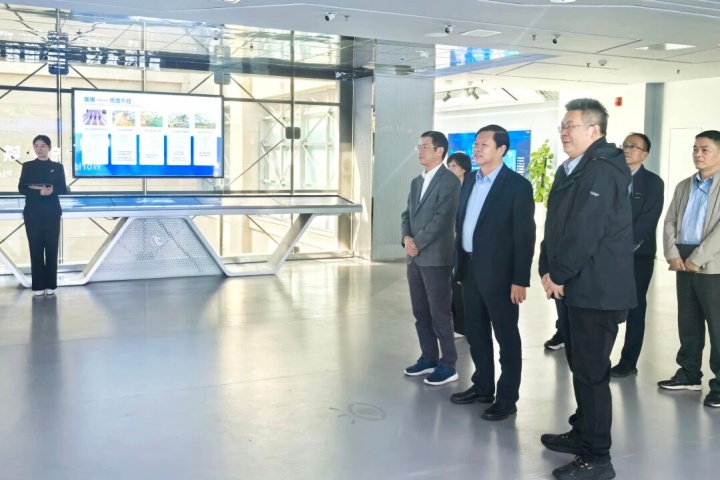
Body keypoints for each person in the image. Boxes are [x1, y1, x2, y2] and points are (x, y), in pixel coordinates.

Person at [539, 99, 636, 480]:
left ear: (594, 131)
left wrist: (559, 273)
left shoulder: (603, 171)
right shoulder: (576, 168)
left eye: (571, 126)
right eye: (562, 126)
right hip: (576, 287)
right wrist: (547, 268)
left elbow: (586, 230)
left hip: (597, 291)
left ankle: (597, 458)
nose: (564, 132)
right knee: (580, 367)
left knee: (593, 374)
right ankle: (582, 432)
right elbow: (557, 224)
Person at [450, 124, 535, 421]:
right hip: (470, 269)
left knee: (506, 337)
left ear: (502, 150)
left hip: (501, 276)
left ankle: (507, 398)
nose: (477, 148)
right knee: (476, 333)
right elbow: (462, 224)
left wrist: (520, 280)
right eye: (476, 143)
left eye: (484, 144)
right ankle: (483, 386)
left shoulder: (517, 186)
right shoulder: (469, 181)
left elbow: (524, 236)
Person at [658, 130, 720, 409]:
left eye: (705, 149)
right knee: (689, 322)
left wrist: (698, 257)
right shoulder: (685, 185)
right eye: (695, 148)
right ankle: (689, 374)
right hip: (683, 260)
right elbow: (670, 220)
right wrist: (672, 253)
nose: (697, 154)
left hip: (713, 264)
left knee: (717, 326)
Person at [401, 131, 461, 386]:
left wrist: (417, 243)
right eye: (419, 146)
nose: (420, 150)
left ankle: (448, 364)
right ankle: (428, 358)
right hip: (414, 258)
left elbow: (442, 219)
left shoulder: (449, 181)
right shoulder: (417, 181)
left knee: (440, 313)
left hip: (436, 258)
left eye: (425, 146)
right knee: (420, 312)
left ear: (440, 151)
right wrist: (406, 239)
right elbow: (407, 214)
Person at [610, 133, 664, 377]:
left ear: (645, 154)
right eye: (625, 145)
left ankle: (628, 361)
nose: (627, 150)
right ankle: (601, 356)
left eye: (634, 146)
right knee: (606, 306)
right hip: (607, 255)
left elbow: (647, 221)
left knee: (635, 307)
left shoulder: (653, 182)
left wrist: (619, 245)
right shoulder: (611, 177)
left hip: (638, 255)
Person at [18, 135, 68, 296]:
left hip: (52, 212)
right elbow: (22, 188)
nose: (39, 149)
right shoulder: (28, 166)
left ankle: (51, 285)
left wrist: (51, 191)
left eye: (43, 146)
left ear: (49, 148)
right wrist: (39, 192)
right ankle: (39, 285)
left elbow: (63, 188)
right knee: (36, 248)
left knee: (52, 248)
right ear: (33, 148)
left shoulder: (57, 167)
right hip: (33, 213)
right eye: (36, 146)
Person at [446, 152, 472, 339]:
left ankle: (462, 326)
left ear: (463, 168)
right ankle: (455, 322)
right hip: (449, 242)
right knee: (450, 284)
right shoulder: (449, 189)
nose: (450, 169)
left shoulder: (471, 188)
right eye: (448, 166)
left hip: (464, 245)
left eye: (453, 166)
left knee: (459, 284)